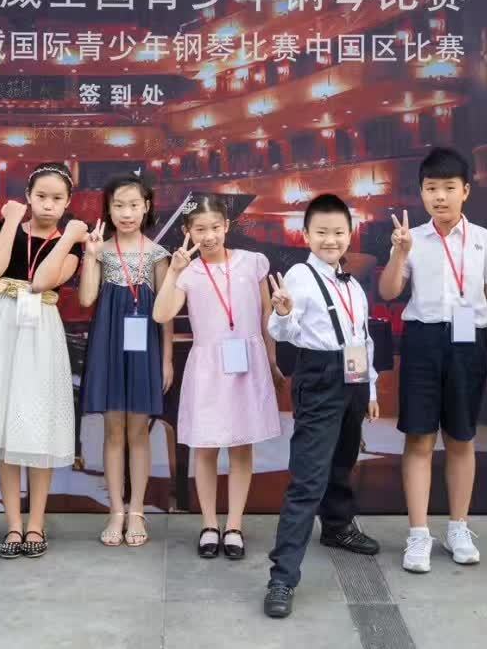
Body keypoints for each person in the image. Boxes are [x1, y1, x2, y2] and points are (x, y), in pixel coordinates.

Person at [379, 146, 487, 573]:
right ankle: (418, 534)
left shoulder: (485, 240)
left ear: (465, 190)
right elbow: (388, 292)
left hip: (469, 342)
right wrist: (399, 253)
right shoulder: (412, 239)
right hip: (422, 340)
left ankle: (458, 527)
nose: (440, 196)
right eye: (431, 188)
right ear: (421, 192)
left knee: (461, 438)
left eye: (449, 188)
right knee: (418, 438)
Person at [0, 162, 84, 559]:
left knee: (37, 424)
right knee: (1, 426)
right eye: (40, 196)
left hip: (40, 327)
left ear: (68, 202)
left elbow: (42, 282)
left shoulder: (72, 242)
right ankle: (12, 524)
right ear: (27, 196)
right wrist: (10, 220)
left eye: (57, 198)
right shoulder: (4, 225)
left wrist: (68, 237)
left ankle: (36, 523)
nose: (48, 204)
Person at [263, 194, 381, 618]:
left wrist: (370, 390)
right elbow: (284, 331)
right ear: (306, 235)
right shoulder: (299, 275)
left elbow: (363, 338)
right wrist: (282, 313)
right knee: (308, 478)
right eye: (322, 233)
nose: (331, 240)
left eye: (338, 232)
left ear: (350, 234)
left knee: (343, 460)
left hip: (353, 374)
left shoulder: (351, 284)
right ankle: (282, 577)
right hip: (319, 375)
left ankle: (337, 527)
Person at [152, 195, 282, 562]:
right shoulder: (188, 272)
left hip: (247, 363)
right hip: (208, 365)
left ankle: (235, 525)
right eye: (200, 229)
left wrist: (272, 361)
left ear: (226, 226)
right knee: (206, 446)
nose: (208, 236)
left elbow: (266, 317)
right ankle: (209, 524)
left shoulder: (253, 263)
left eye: (214, 228)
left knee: (242, 446)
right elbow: (161, 315)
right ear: (187, 231)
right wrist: (174, 271)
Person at [77, 175, 172, 547]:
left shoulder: (158, 254)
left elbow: (165, 313)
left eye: (134, 205)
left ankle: (137, 511)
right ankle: (115, 510)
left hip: (146, 347)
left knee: (138, 432)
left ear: (146, 206)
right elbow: (87, 299)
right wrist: (89, 256)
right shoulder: (100, 251)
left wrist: (167, 360)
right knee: (113, 430)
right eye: (119, 205)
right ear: (109, 208)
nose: (127, 213)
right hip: (109, 344)